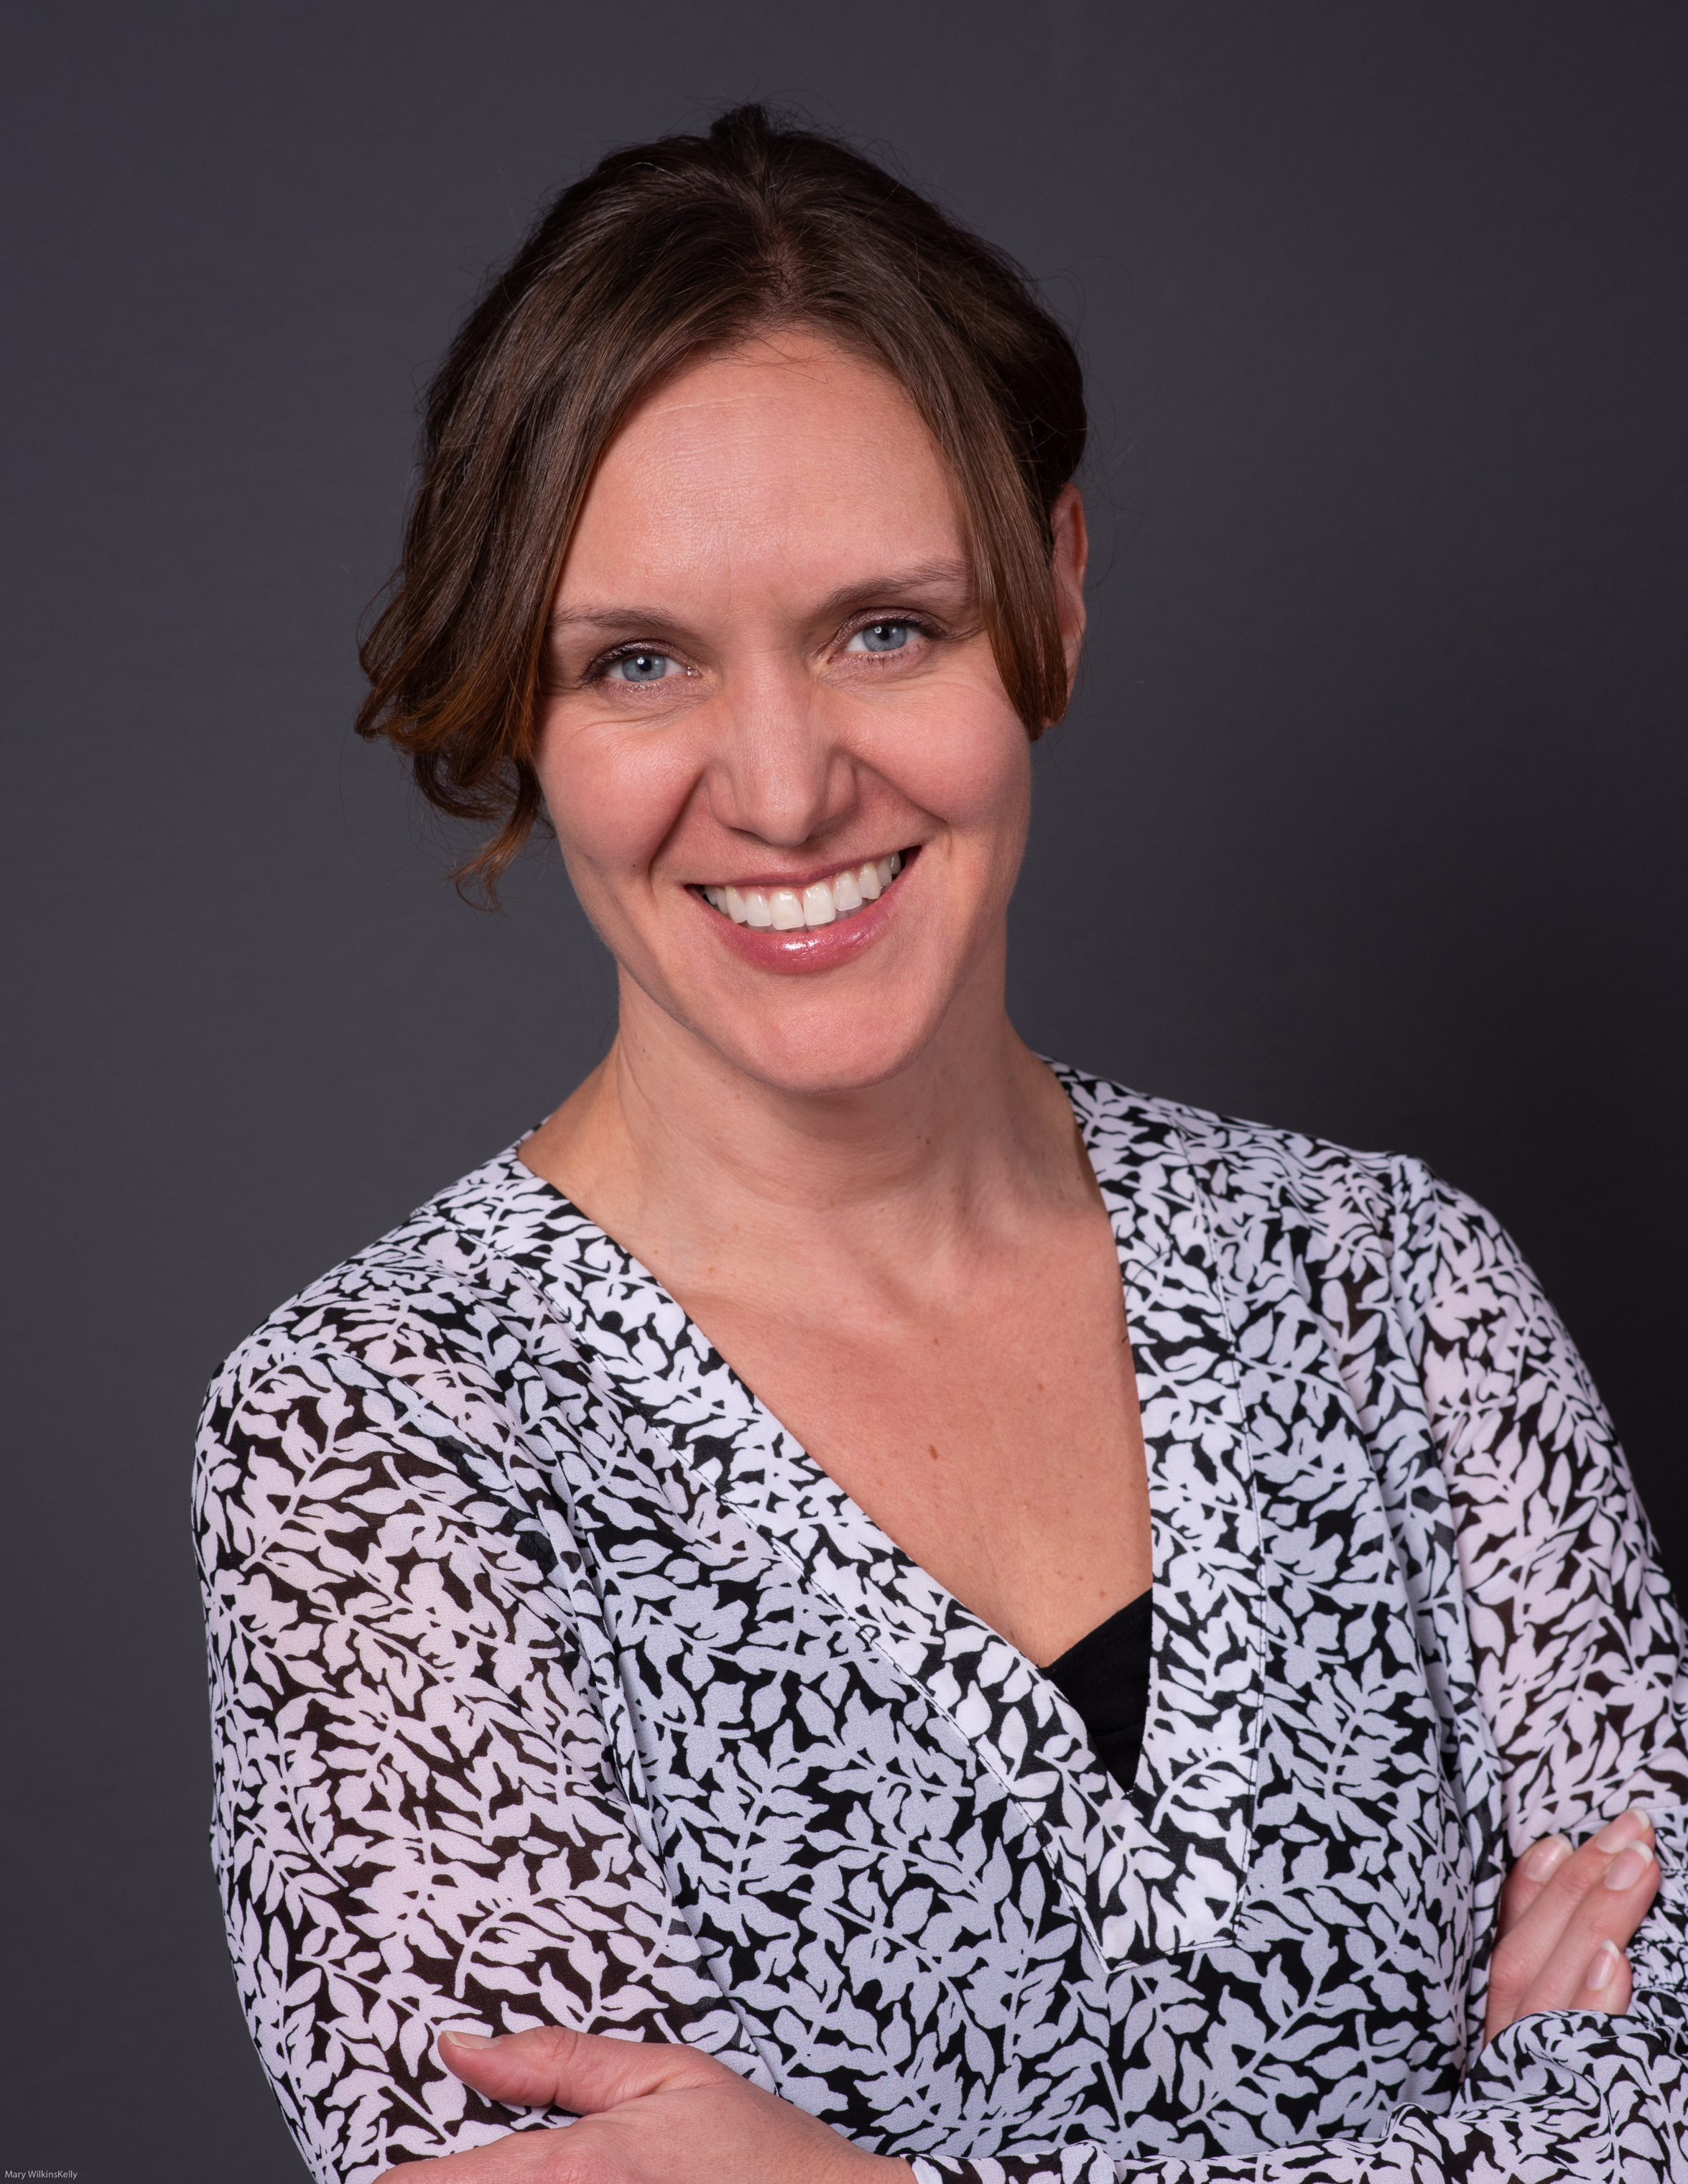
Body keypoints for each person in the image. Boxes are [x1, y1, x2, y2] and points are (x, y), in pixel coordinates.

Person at [194, 106, 1688, 2184]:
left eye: (882, 626)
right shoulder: (378, 1438)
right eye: (637, 662)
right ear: (519, 709)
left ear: (1050, 594)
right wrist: (1511, 2135)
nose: (786, 787)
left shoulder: (1391, 1282)